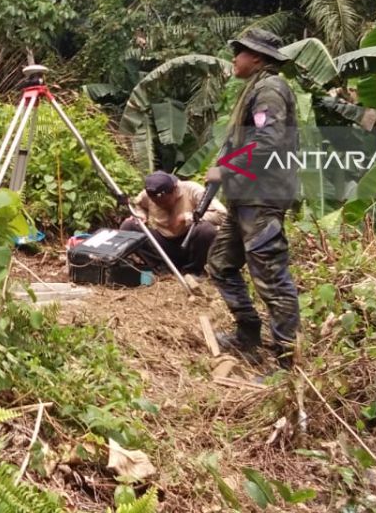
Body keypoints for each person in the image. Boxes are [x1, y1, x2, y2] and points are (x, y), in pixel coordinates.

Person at [204, 29, 301, 370]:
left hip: (262, 198)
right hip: (245, 199)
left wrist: (225, 168)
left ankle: (287, 363)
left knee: (272, 279)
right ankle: (248, 334)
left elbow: (268, 142)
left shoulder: (270, 90)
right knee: (220, 264)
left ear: (257, 58)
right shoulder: (258, 88)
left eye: (240, 53)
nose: (235, 58)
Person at [121, 171, 226, 275]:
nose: (162, 206)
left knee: (206, 230)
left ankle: (193, 271)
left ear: (175, 190)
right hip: (163, 244)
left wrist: (188, 217)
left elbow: (222, 214)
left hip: (191, 241)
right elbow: (139, 205)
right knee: (129, 225)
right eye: (158, 204)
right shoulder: (147, 194)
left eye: (165, 202)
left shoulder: (192, 189)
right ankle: (162, 268)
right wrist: (141, 215)